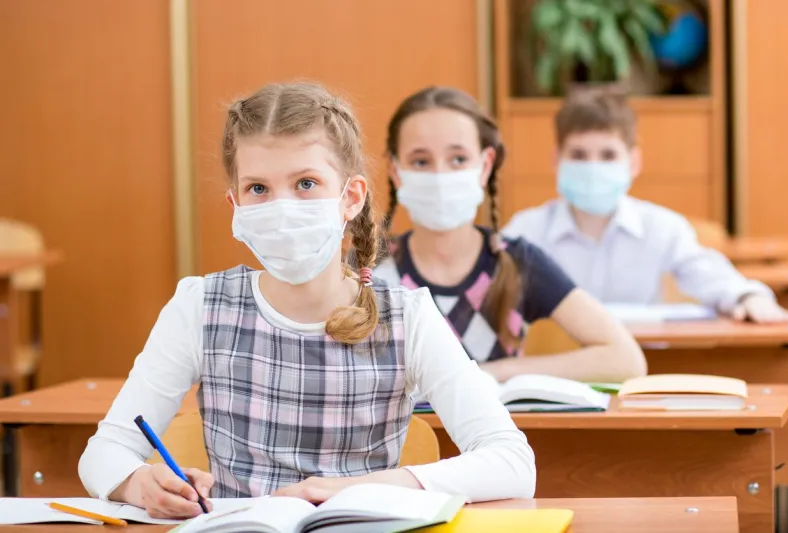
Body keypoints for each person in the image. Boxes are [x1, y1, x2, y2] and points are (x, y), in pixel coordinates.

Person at [78, 82, 535, 519]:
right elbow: (104, 451)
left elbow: (512, 461)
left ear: (351, 196)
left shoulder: (408, 317)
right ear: (235, 203)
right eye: (258, 189)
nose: (283, 207)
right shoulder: (199, 306)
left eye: (306, 183)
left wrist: (366, 487)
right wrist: (139, 484)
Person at [376, 86, 646, 384]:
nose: (440, 176)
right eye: (421, 161)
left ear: (485, 165)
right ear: (395, 169)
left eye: (458, 159)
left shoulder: (516, 261)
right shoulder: (366, 270)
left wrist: (494, 373)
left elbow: (626, 359)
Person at [502, 88, 788, 323]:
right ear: (557, 160)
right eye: (578, 155)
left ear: (633, 162)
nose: (592, 166)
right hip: (552, 372)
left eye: (608, 155)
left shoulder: (663, 227)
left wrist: (747, 297)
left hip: (641, 371)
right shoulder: (526, 231)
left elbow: (709, 274)